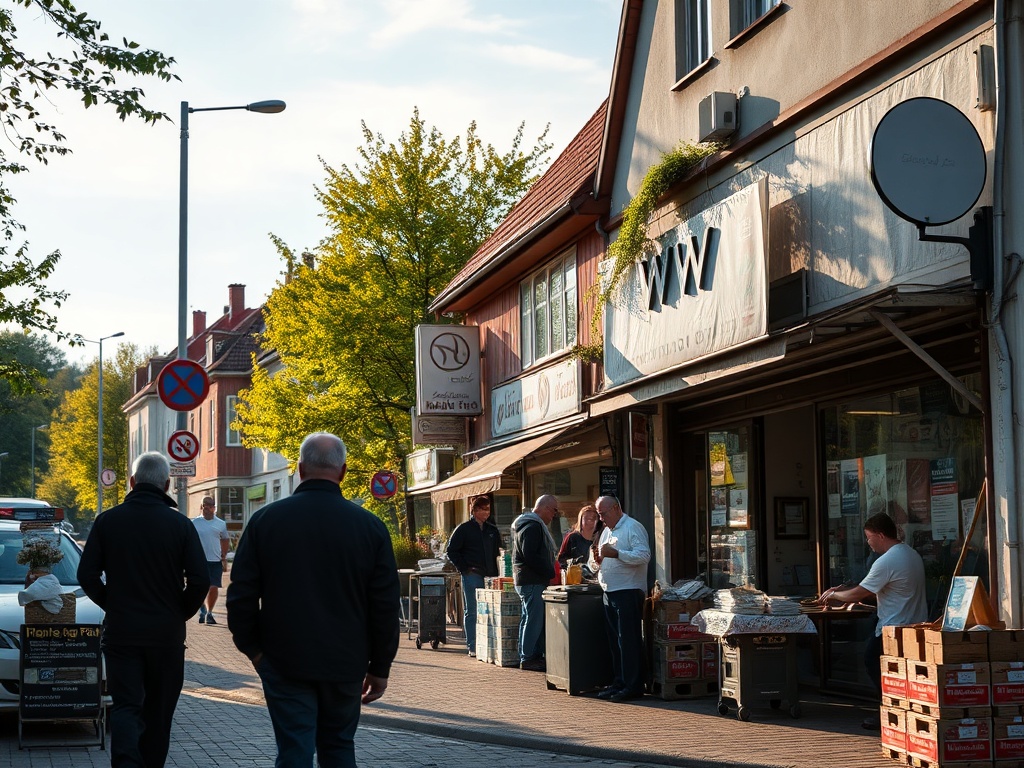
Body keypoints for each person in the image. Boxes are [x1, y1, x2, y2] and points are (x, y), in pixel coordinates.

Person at [227, 432, 400, 768]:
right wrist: (380, 667)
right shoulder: (370, 528)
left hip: (284, 659)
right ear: (343, 471)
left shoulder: (266, 521)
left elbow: (240, 597)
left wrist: (255, 651)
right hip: (346, 661)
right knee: (339, 747)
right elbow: (385, 605)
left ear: (301, 468)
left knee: (294, 750)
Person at [77, 451, 210, 768]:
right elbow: (200, 580)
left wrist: (112, 603)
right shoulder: (180, 525)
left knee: (126, 707)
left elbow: (87, 575)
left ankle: (125, 763)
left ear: (132, 482)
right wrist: (178, 612)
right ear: (166, 485)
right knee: (159, 713)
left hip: (122, 634)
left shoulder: (108, 521)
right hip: (165, 636)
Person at [818, 512, 926, 730]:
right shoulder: (910, 553)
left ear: (880, 535)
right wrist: (851, 592)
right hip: (915, 624)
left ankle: (887, 712)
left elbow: (859, 593)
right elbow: (885, 591)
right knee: (900, 671)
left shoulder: (887, 560)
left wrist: (834, 595)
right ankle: (899, 711)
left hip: (894, 628)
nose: (868, 542)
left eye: (869, 537)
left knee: (874, 663)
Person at [589, 495, 651, 703]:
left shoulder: (633, 527)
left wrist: (616, 554)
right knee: (616, 641)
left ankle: (633, 685)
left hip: (628, 590)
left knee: (628, 640)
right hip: (610, 590)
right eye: (599, 514)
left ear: (616, 508)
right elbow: (598, 561)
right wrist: (597, 561)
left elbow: (643, 556)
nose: (601, 518)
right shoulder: (607, 531)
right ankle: (620, 681)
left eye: (603, 514)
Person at [445, 495, 504, 658]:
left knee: (491, 610)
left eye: (489, 509)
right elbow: (451, 550)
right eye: (484, 509)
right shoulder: (463, 529)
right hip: (472, 574)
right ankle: (473, 645)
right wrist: (464, 568)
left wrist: (499, 572)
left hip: (491, 576)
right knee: (472, 610)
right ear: (475, 510)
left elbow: (498, 551)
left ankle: (488, 645)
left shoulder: (492, 530)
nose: (487, 512)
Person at [510, 494, 559, 671]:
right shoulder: (532, 526)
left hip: (527, 579)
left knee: (529, 618)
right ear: (545, 508)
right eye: (554, 510)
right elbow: (529, 554)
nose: (554, 515)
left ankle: (530, 655)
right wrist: (549, 571)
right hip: (531, 580)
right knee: (533, 619)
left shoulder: (527, 524)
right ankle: (529, 657)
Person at [192, 495, 229, 625]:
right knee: (201, 588)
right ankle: (202, 609)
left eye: (211, 506)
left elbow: (225, 539)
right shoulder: (194, 523)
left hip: (215, 561)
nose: (208, 509)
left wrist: (223, 555)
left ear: (214, 508)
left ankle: (209, 613)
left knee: (213, 587)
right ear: (202, 507)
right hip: (199, 561)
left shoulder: (221, 524)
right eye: (205, 506)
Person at [557, 504, 600, 569]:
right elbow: (561, 559)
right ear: (581, 520)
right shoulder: (572, 537)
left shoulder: (600, 538)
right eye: (586, 518)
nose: (590, 520)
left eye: (593, 518)